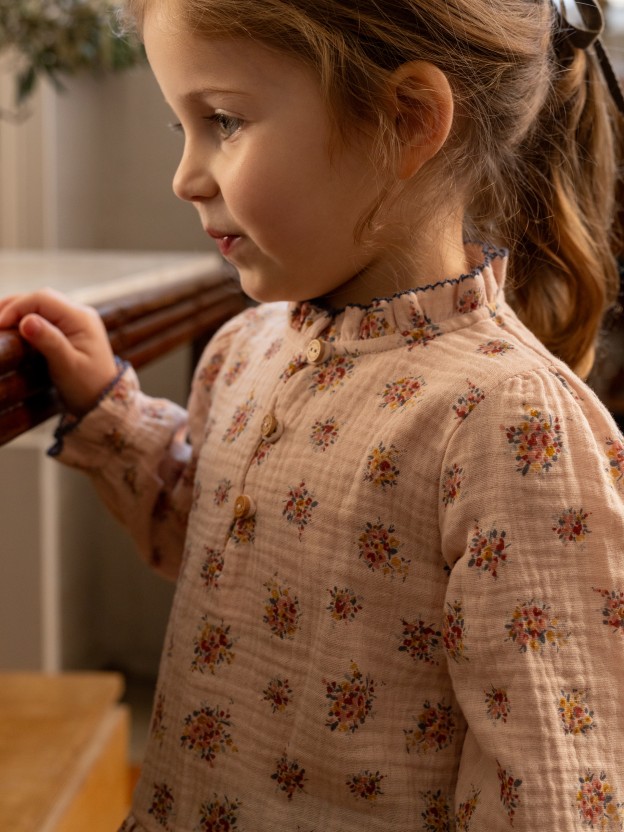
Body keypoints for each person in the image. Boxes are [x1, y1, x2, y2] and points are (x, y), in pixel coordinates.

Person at [0, 0, 623, 829]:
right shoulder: (243, 347)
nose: (185, 176)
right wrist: (106, 407)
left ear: (405, 122)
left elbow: (548, 784)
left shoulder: (508, 421)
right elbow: (220, 543)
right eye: (181, 125)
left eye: (222, 120)